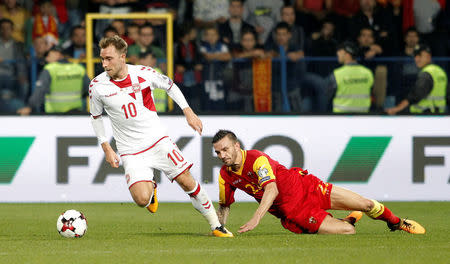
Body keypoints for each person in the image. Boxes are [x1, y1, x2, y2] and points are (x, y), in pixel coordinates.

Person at [89, 35, 232, 237]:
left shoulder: (144, 73)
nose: (104, 64)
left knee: (186, 181)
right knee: (141, 200)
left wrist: (188, 111)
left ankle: (216, 225)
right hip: (130, 150)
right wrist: (106, 147)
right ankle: (151, 187)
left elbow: (170, 86)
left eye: (109, 58)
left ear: (123, 57)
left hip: (158, 141)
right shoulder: (97, 86)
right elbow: (95, 117)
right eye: (102, 59)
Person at [213, 129, 426, 235]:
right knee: (347, 232)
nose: (222, 155)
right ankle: (348, 221)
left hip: (307, 187)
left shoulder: (256, 159)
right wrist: (218, 227)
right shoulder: (225, 175)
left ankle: (397, 223)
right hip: (295, 211)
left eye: (225, 149)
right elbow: (224, 205)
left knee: (367, 204)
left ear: (236, 146)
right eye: (217, 152)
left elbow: (271, 188)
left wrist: (256, 218)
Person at [17, 47, 89, 115]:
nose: (46, 59)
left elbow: (40, 91)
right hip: (76, 114)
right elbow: (90, 90)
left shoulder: (50, 69)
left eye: (48, 55)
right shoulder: (79, 69)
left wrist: (29, 107)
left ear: (57, 54)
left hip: (55, 115)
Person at [385, 44, 449, 115]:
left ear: (428, 57)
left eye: (420, 56)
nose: (416, 59)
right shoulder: (441, 72)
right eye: (415, 56)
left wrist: (397, 108)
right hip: (440, 115)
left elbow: (416, 95)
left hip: (424, 115)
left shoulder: (426, 74)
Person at [326, 41, 374, 113]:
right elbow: (372, 91)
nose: (337, 53)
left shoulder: (336, 74)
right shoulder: (368, 73)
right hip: (363, 117)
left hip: (341, 118)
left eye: (340, 51)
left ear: (347, 54)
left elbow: (327, 96)